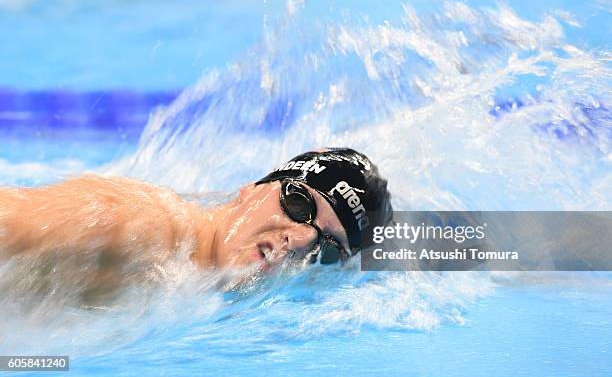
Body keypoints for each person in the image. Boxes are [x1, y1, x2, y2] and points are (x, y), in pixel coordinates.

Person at [0, 148, 392, 271]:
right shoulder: (132, 226)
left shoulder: (192, 286)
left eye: (325, 249)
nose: (302, 239)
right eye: (298, 203)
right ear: (250, 190)